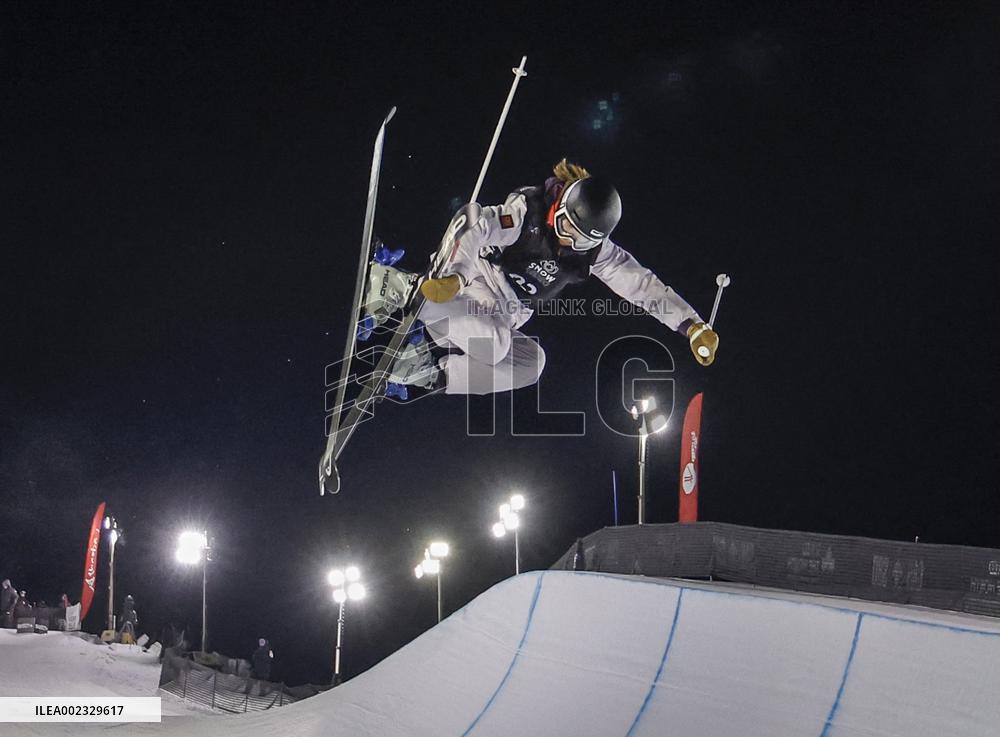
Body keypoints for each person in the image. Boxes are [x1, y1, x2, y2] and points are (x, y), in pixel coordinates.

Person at [380, 159, 720, 396]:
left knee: (530, 364)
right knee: (495, 343)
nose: (565, 236)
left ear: (594, 240)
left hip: (503, 314)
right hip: (474, 286)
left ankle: (425, 374)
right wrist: (454, 276)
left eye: (578, 236)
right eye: (563, 221)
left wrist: (691, 326)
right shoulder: (528, 211)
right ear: (562, 202)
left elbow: (641, 285)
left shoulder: (595, 254)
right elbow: (476, 223)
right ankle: (397, 288)